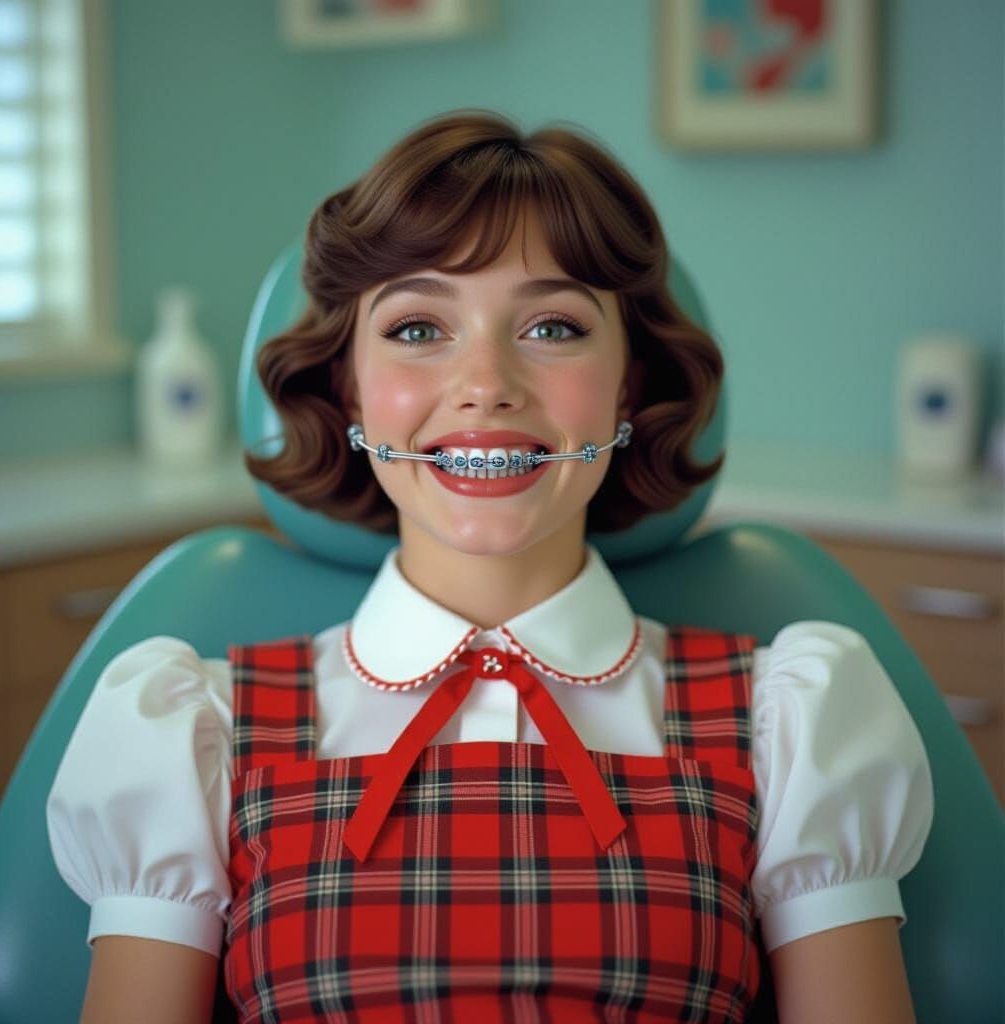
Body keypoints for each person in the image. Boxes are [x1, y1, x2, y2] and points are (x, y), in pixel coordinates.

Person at [47, 109, 934, 1023]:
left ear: (628, 384)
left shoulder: (790, 723)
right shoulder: (193, 733)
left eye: (552, 327)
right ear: (350, 386)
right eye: (418, 328)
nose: (487, 383)